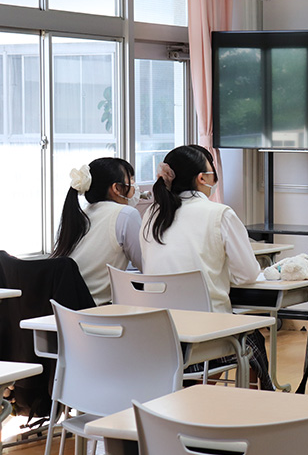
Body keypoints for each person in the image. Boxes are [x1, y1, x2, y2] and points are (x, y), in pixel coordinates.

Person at [139, 144, 272, 390]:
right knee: (253, 341)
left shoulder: (151, 216)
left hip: (158, 330)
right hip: (206, 330)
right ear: (202, 178)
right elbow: (248, 274)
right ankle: (253, 410)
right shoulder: (219, 213)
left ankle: (182, 391)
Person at [51, 158, 143, 305]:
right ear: (116, 188)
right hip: (97, 311)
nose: (135, 188)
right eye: (131, 181)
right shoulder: (125, 214)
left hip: (68, 312)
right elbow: (146, 263)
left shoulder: (81, 215)